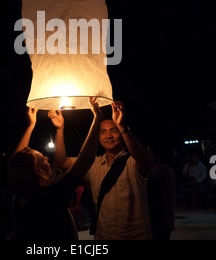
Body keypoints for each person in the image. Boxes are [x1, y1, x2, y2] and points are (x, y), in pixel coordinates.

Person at [50, 101, 152, 240]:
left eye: (113, 130)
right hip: (103, 235)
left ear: (121, 134)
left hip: (135, 235)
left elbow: (143, 160)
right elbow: (61, 161)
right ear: (97, 137)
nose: (108, 136)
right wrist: (60, 129)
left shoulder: (132, 163)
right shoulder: (94, 165)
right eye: (102, 132)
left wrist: (122, 125)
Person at [8, 97, 102, 240]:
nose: (47, 158)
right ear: (36, 172)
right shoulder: (52, 195)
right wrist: (97, 119)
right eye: (42, 160)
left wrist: (31, 125)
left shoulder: (19, 198)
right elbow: (86, 159)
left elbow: (17, 163)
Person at [147, 142, 175, 240]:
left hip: (161, 219)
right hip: (156, 219)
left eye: (149, 153)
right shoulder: (153, 171)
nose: (147, 155)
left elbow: (161, 194)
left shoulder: (165, 172)